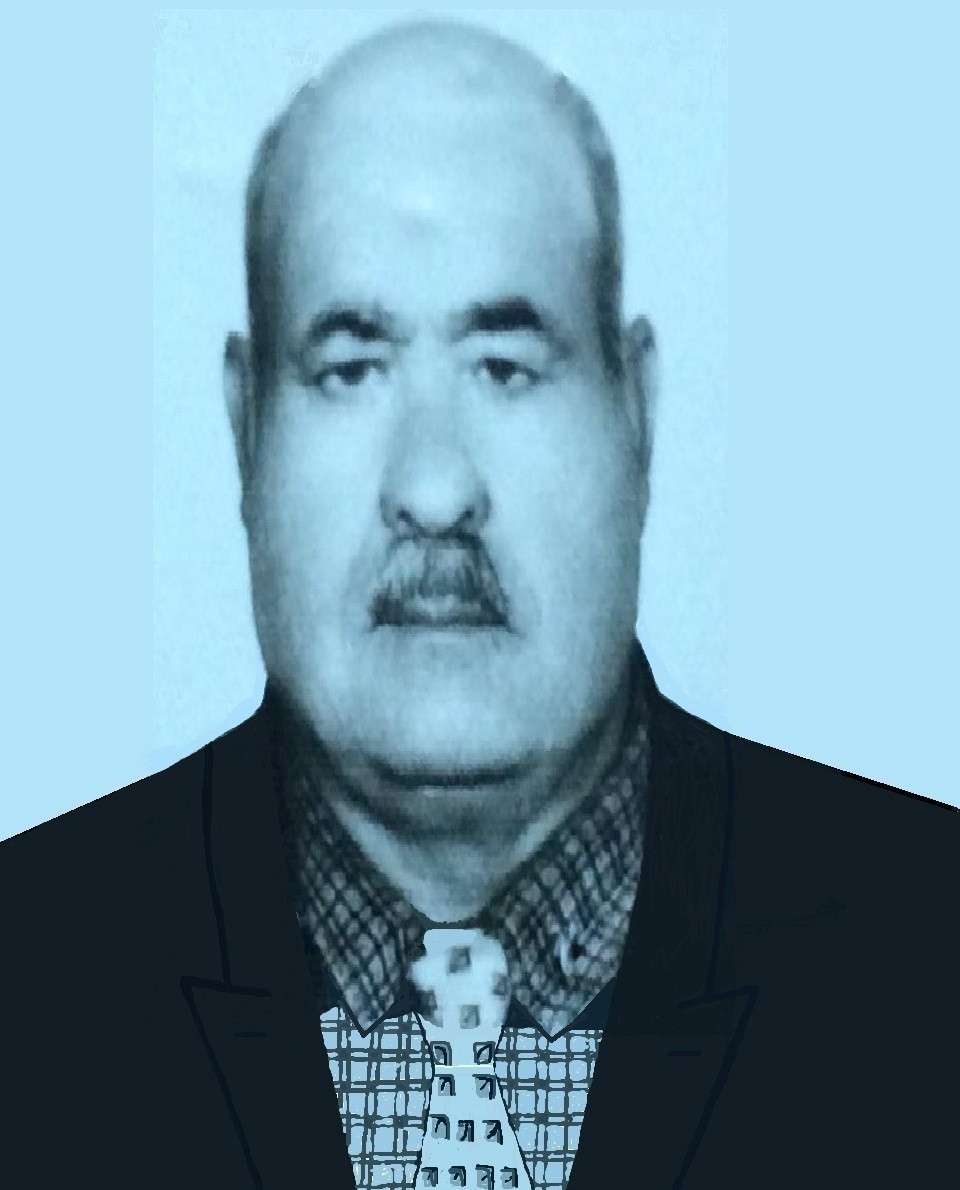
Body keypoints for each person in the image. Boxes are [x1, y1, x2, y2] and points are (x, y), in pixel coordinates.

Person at [1, 19, 956, 1190]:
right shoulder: (25, 976)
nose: (435, 486)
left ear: (637, 412)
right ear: (247, 431)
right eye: (350, 369)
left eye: (506, 365)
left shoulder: (930, 954)